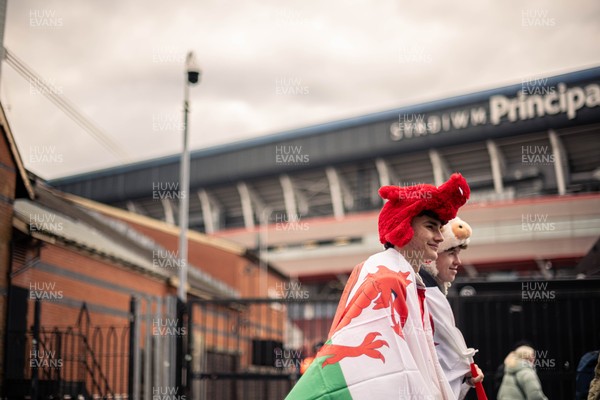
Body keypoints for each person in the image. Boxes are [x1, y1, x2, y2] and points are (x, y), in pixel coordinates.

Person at [286, 173, 471, 400]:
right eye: (431, 227)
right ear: (404, 226)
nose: (439, 237)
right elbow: (381, 372)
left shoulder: (405, 279)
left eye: (439, 229)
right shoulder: (388, 278)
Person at [419, 216, 485, 399]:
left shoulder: (429, 291)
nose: (458, 261)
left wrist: (465, 379)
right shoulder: (424, 292)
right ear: (430, 256)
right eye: (451, 253)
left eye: (458, 253)